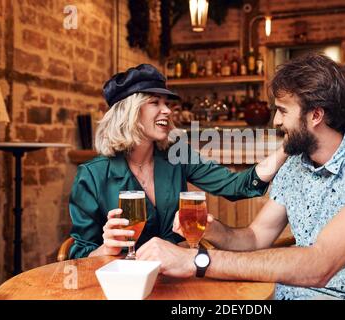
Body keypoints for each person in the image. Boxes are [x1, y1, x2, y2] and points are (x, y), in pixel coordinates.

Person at [136, 53, 345, 300]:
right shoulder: (294, 165)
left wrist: (196, 260)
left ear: (316, 115)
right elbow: (255, 238)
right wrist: (212, 229)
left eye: (283, 111)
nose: (276, 121)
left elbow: (319, 265)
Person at [68, 64, 287, 259]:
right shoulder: (92, 175)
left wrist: (286, 148)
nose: (167, 110)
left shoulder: (176, 155)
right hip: (124, 283)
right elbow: (79, 254)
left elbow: (236, 186)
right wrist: (107, 248)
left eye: (166, 102)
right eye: (155, 102)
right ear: (129, 112)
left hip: (175, 275)